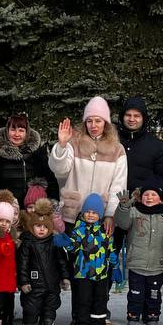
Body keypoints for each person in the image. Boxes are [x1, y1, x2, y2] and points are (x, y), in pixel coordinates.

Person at [50, 97, 129, 228]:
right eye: (89, 121)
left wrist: (110, 214)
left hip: (100, 216)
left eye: (98, 121)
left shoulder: (117, 150)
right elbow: (59, 169)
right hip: (72, 215)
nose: (93, 125)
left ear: (106, 123)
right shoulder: (74, 143)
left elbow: (118, 186)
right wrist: (62, 145)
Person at [114, 178, 163, 325]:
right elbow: (122, 223)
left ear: (160, 198)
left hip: (157, 264)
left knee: (154, 295)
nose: (149, 197)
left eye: (153, 194)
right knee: (135, 295)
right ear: (141, 197)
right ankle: (132, 320)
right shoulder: (134, 212)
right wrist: (124, 207)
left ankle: (152, 320)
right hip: (137, 264)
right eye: (146, 194)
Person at [16, 197, 69, 325]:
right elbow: (22, 264)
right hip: (34, 284)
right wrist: (23, 281)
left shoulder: (54, 242)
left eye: (45, 227)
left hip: (52, 283)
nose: (41, 229)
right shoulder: (27, 242)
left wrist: (65, 277)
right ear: (32, 226)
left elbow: (62, 261)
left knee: (50, 306)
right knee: (31, 306)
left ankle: (47, 324)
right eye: (38, 226)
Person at [65, 193, 113, 325]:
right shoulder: (78, 231)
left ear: (100, 214)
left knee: (100, 301)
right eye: (88, 212)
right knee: (83, 300)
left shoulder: (105, 231)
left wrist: (115, 265)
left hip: (101, 274)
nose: (91, 215)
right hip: (83, 273)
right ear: (83, 212)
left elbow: (110, 249)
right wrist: (66, 243)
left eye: (94, 212)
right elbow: (73, 248)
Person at [0, 113, 55, 204]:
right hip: (6, 208)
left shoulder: (37, 153)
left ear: (27, 133)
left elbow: (50, 180)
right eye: (13, 129)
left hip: (32, 208)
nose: (17, 134)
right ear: (7, 131)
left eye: (21, 130)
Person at [120, 97, 163, 192]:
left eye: (136, 116)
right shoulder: (112, 141)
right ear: (122, 116)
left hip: (143, 203)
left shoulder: (156, 145)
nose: (131, 119)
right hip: (114, 201)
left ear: (143, 118)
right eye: (128, 115)